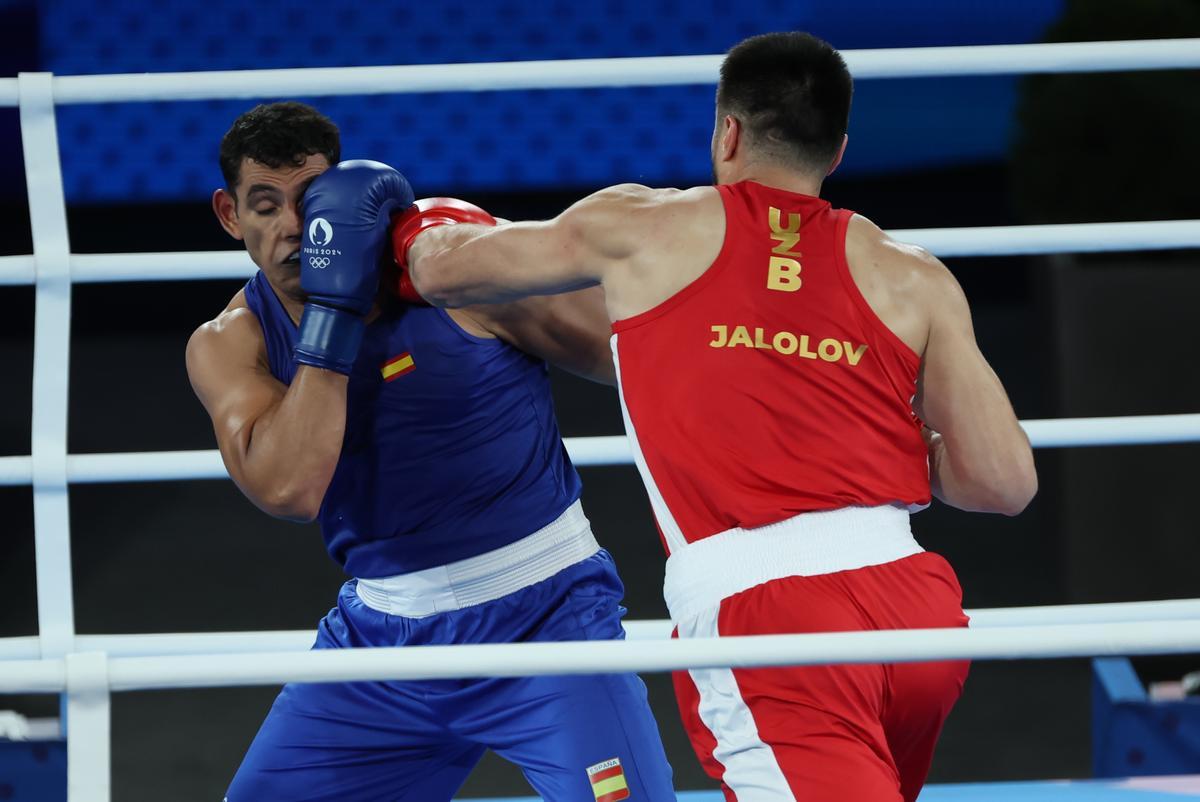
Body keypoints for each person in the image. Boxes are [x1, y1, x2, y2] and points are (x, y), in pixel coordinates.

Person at [394, 31, 1038, 802]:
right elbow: (1002, 481)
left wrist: (417, 221)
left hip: (775, 623)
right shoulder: (915, 276)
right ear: (835, 152)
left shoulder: (639, 227)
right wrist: (870, 440)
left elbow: (441, 273)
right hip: (917, 614)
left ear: (727, 131)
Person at [185, 101, 675, 802]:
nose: (294, 228)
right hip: (380, 645)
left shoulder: (450, 276)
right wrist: (335, 313)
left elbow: (629, 352)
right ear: (231, 216)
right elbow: (290, 491)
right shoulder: (231, 342)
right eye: (265, 206)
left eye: (312, 202)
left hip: (547, 621)